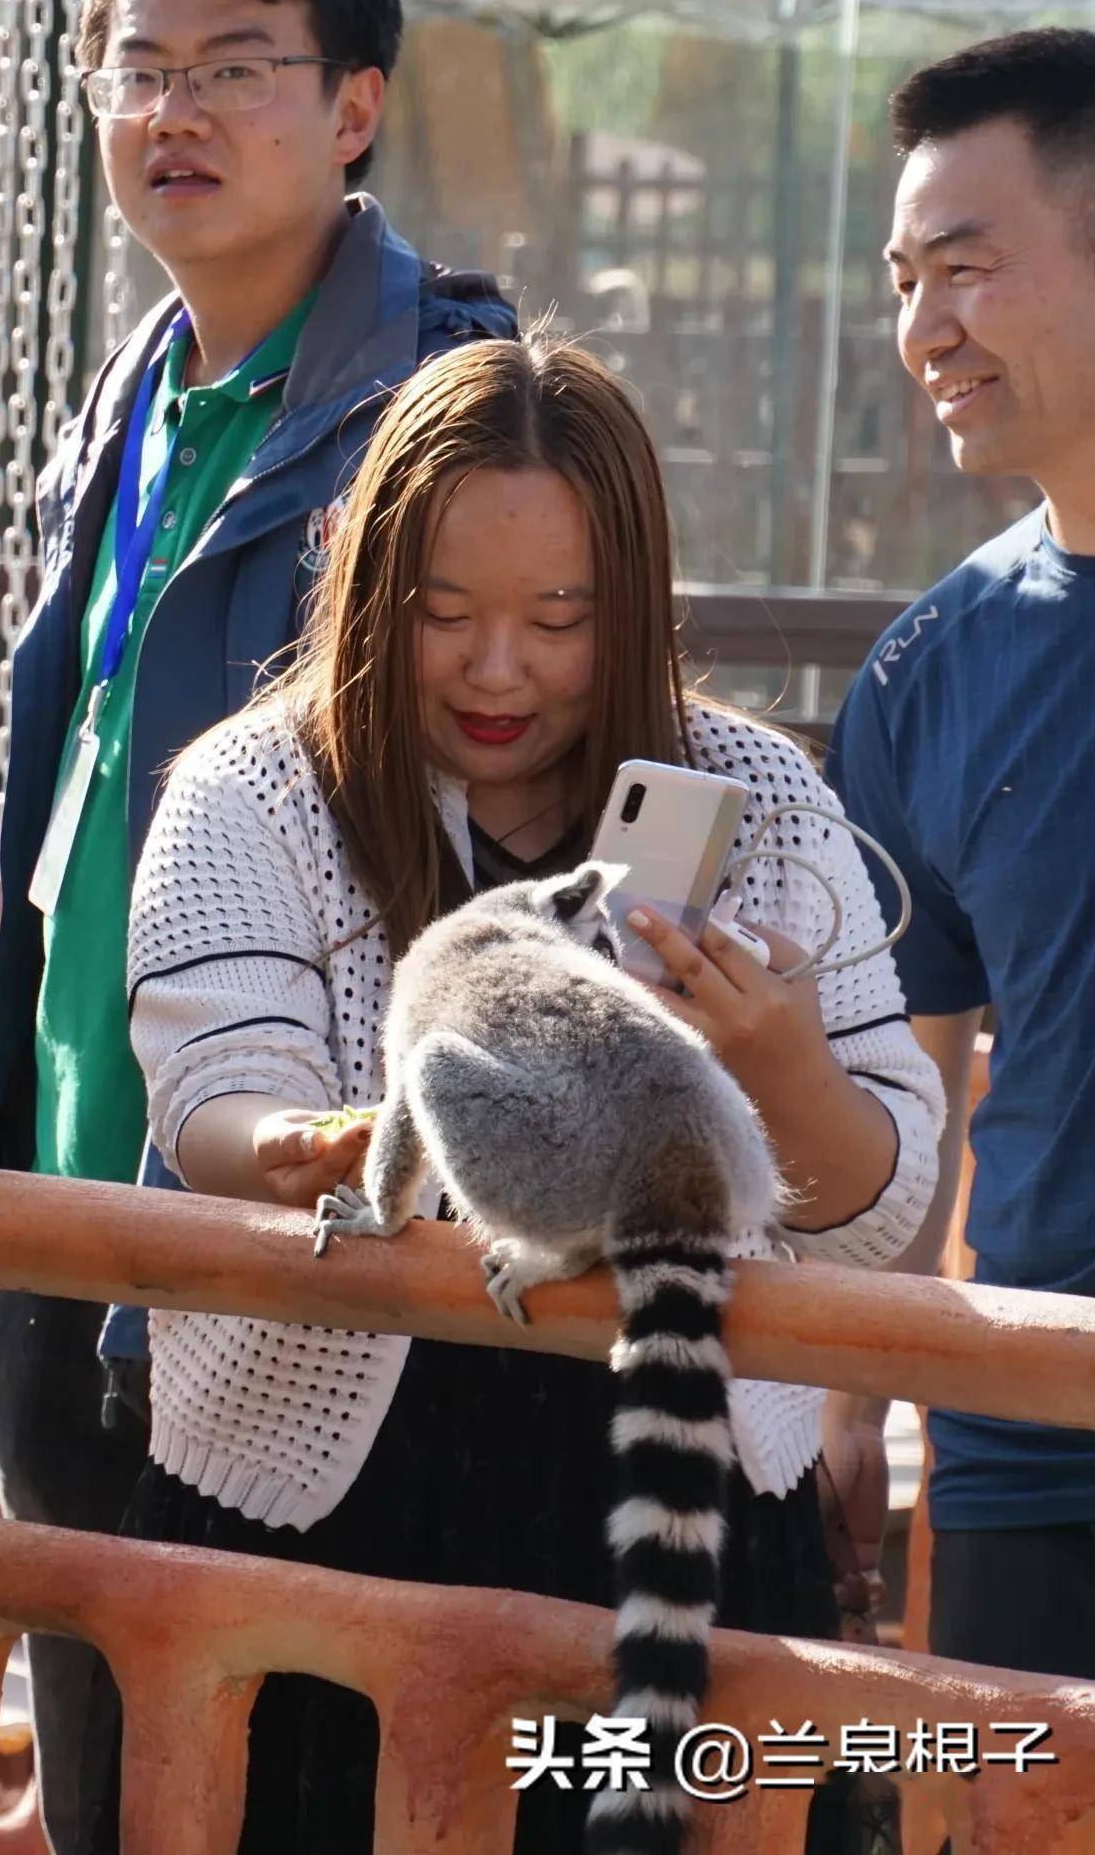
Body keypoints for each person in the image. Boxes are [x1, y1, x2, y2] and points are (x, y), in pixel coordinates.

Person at [121, 335, 941, 1851]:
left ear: (629, 609)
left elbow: (873, 1205)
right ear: (370, 592)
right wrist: (335, 1146)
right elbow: (216, 1093)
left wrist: (781, 1064)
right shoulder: (256, 788)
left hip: (674, 1508)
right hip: (332, 1511)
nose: (500, 671)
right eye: (443, 616)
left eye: (560, 620)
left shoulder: (756, 802)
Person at [0, 0, 516, 1849]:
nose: (176, 109)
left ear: (354, 109)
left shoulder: (459, 403)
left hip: (324, 1258)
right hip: (94, 1214)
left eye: (237, 68)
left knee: (314, 1791)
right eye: (138, 69)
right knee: (112, 1782)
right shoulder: (140, 392)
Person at [832, 27, 1095, 1686]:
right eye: (902, 276)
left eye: (966, 269)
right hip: (1023, 1445)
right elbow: (904, 1083)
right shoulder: (927, 668)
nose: (922, 328)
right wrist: (853, 1403)